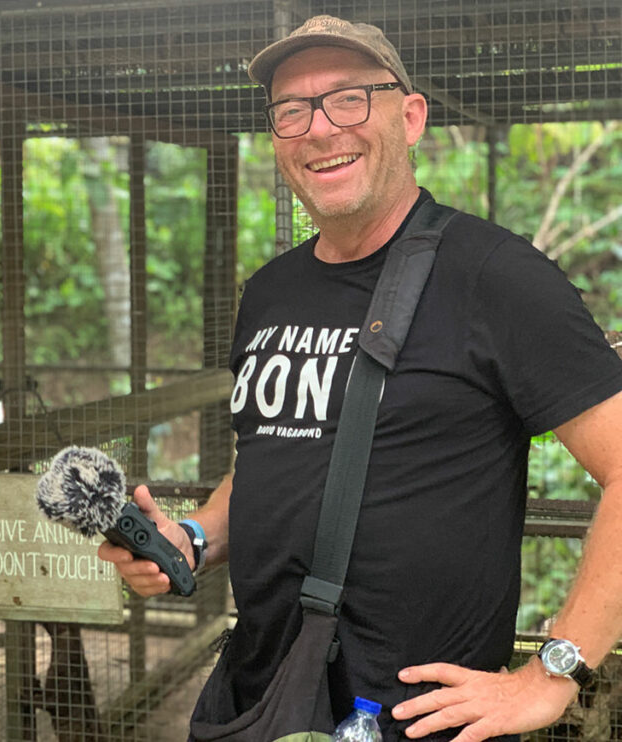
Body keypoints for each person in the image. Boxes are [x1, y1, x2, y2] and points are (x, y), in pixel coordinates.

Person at [98, 14, 622, 742]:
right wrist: (192, 536)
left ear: (409, 118)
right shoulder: (271, 291)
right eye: (292, 109)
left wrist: (553, 674)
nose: (319, 128)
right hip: (264, 695)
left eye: (348, 98)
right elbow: (275, 453)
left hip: (417, 717)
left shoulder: (496, 277)